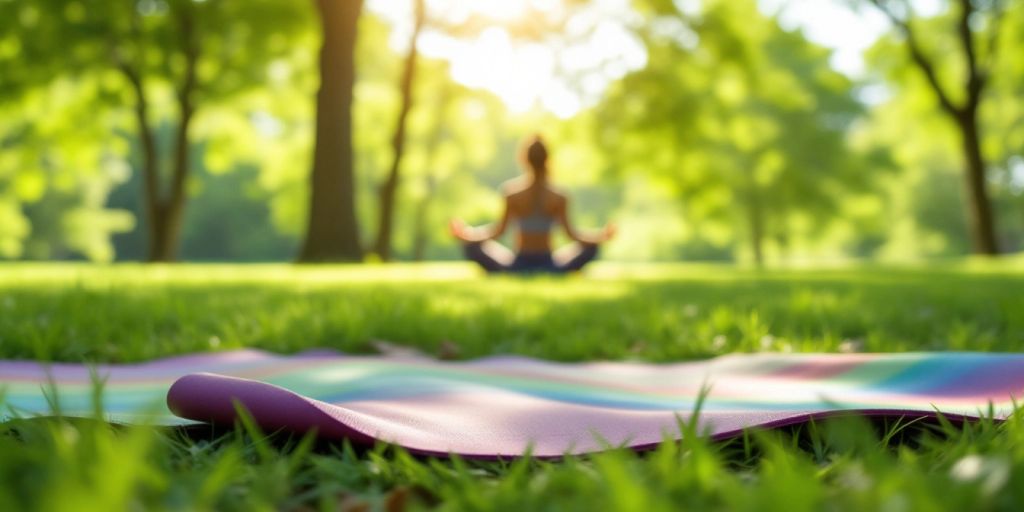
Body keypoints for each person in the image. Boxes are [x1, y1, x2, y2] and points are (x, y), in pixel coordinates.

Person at [450, 135, 615, 273]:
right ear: (548, 159)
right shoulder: (559, 196)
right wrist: (599, 236)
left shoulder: (512, 193)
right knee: (592, 247)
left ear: (524, 159)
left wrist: (469, 235)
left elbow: (498, 231)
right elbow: (571, 234)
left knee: (471, 246)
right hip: (551, 265)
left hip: (517, 265)